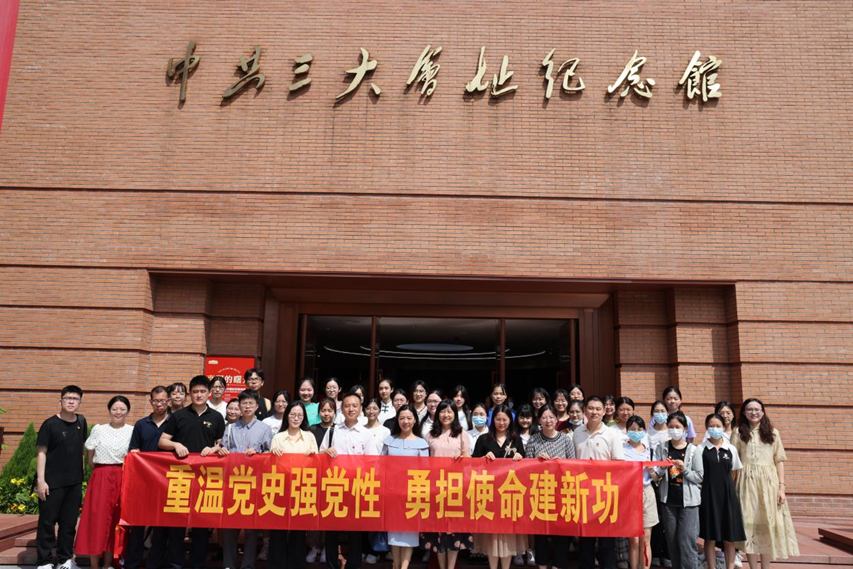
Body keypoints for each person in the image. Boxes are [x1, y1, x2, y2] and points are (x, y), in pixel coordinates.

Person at [159, 375, 226, 569]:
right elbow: (162, 441)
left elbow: (222, 444)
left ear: (209, 393)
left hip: (205, 478)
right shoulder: (179, 416)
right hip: (180, 476)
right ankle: (176, 564)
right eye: (195, 391)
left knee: (201, 526)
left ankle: (198, 564)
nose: (199, 395)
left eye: (203, 391)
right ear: (190, 393)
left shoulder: (216, 417)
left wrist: (213, 449)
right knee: (177, 525)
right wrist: (175, 444)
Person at [733, 399, 799, 569]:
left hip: (769, 484)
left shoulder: (773, 433)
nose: (753, 412)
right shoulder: (738, 432)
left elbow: (779, 461)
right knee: (749, 525)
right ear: (744, 412)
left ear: (762, 412)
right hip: (746, 484)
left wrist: (782, 487)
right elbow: (734, 462)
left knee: (767, 525)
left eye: (757, 409)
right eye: (749, 409)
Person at [320, 393, 381, 569]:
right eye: (347, 406)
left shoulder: (366, 434)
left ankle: (353, 565)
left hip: (356, 488)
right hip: (335, 486)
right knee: (332, 530)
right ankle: (331, 564)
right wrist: (325, 452)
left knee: (355, 531)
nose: (351, 409)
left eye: (355, 406)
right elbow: (320, 454)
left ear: (360, 409)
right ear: (342, 408)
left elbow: (372, 462)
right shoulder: (333, 430)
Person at [75, 396, 133, 569]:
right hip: (101, 477)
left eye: (122, 409)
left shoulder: (132, 430)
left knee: (116, 520)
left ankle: (108, 563)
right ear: (109, 410)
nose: (118, 412)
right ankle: (94, 565)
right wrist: (102, 472)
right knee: (96, 519)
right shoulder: (99, 429)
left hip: (123, 477)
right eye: (114, 409)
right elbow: (90, 457)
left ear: (127, 411)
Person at [218, 390, 273, 569]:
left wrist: (258, 454)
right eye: (244, 403)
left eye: (251, 404)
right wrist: (221, 450)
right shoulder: (230, 427)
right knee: (229, 528)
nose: (247, 407)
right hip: (231, 484)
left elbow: (270, 455)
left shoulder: (264, 429)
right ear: (239, 406)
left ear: (257, 407)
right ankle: (228, 565)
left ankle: (247, 565)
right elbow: (223, 449)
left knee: (251, 529)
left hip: (253, 485)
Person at [35, 385, 87, 569]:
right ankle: (44, 561)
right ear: (61, 401)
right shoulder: (49, 424)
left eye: (75, 399)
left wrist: (81, 475)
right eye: (68, 398)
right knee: (47, 523)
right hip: (51, 483)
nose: (71, 402)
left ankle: (65, 559)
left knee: (69, 524)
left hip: (74, 482)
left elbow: (81, 449)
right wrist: (41, 481)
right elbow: (41, 452)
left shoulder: (81, 421)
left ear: (80, 402)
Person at [573, 396, 624, 569]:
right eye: (591, 408)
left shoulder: (612, 434)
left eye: (598, 409)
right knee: (585, 541)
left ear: (604, 412)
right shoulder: (577, 433)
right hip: (583, 494)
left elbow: (619, 464)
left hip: (605, 494)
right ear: (585, 411)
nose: (594, 412)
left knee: (606, 543)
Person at [473, 404, 525, 569]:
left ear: (510, 420)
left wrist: (520, 458)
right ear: (492, 420)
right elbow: (472, 464)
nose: (501, 423)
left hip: (509, 494)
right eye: (498, 419)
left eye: (505, 419)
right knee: (491, 534)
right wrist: (483, 458)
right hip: (489, 493)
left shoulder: (516, 440)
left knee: (507, 534)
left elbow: (526, 468)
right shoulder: (483, 439)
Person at [125, 387, 172, 569]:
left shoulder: (175, 423)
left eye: (163, 400)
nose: (159, 404)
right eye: (156, 401)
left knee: (161, 528)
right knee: (138, 525)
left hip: (167, 483)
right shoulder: (141, 424)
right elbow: (133, 448)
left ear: (168, 402)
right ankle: (132, 564)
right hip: (143, 482)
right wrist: (135, 452)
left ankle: (155, 564)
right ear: (151, 402)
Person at [423, 400, 473, 569]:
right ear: (437, 414)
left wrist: (463, 458)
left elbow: (469, 461)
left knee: (453, 532)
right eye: (443, 411)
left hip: (455, 489)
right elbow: (424, 462)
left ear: (455, 414)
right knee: (438, 531)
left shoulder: (462, 434)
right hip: (435, 489)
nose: (446, 415)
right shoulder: (430, 435)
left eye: (449, 411)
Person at [526, 404, 575, 569]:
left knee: (561, 533)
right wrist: (537, 462)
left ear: (557, 419)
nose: (548, 420)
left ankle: (558, 565)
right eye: (544, 417)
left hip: (561, 494)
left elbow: (573, 465)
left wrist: (557, 463)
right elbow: (526, 468)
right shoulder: (533, 439)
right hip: (540, 493)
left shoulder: (566, 439)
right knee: (540, 533)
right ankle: (542, 564)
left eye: (551, 417)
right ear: (539, 420)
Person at [269, 401, 317, 569]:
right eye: (293, 414)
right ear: (287, 415)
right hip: (280, 489)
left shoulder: (309, 437)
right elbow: (270, 465)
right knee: (278, 531)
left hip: (302, 489)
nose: (296, 418)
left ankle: (296, 564)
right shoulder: (278, 437)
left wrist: (314, 456)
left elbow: (317, 464)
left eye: (300, 415)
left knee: (298, 531)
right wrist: (272, 455)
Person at [651, 412, 702, 569]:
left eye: (678, 427)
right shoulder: (662, 447)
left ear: (685, 428)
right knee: (672, 542)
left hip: (689, 503)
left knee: (687, 541)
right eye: (671, 426)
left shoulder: (694, 450)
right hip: (668, 501)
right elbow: (657, 476)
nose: (674, 430)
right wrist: (662, 467)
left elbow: (699, 477)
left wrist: (684, 468)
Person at [382, 404, 430, 569]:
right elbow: (382, 466)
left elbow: (425, 471)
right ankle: (396, 565)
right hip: (392, 494)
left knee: (409, 533)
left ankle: (404, 567)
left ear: (415, 420)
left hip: (412, 494)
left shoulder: (421, 443)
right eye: (402, 418)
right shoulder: (389, 440)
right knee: (394, 533)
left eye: (409, 418)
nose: (405, 421)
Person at [699, 413, 746, 569]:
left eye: (718, 426)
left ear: (724, 427)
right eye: (711, 426)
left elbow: (734, 473)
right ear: (706, 428)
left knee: (729, 538)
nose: (715, 429)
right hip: (709, 497)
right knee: (710, 537)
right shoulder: (700, 449)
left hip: (727, 497)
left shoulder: (730, 448)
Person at [623, 416, 658, 569]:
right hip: (628, 493)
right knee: (634, 540)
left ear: (644, 431)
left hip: (646, 493)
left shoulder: (650, 450)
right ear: (627, 430)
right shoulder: (621, 449)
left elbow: (657, 479)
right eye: (632, 429)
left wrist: (651, 471)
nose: (636, 432)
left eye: (639, 429)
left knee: (645, 539)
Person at [306, 398, 337, 564]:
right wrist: (322, 453)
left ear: (335, 412)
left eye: (329, 410)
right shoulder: (312, 430)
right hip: (314, 478)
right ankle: (313, 546)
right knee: (313, 514)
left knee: (327, 513)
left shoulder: (338, 430)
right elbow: (308, 454)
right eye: (323, 410)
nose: (326, 414)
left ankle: (326, 547)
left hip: (332, 478)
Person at [647, 400, 672, 568]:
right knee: (655, 520)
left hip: (670, 480)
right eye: (657, 411)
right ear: (652, 414)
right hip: (653, 479)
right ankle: (655, 553)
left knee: (668, 519)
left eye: (663, 411)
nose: (660, 414)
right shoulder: (647, 434)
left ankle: (668, 553)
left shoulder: (672, 432)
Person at [364, 398, 391, 462]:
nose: (371, 411)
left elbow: (387, 453)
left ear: (379, 411)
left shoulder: (385, 431)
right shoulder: (360, 430)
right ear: (365, 410)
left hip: (379, 466)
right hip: (362, 466)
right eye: (368, 408)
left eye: (375, 408)